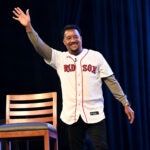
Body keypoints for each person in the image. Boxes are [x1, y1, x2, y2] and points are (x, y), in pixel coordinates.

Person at [12, 7, 135, 150]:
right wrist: (29, 27)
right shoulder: (59, 58)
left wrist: (125, 103)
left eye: (75, 37)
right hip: (71, 115)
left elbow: (111, 81)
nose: (73, 40)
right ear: (64, 42)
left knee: (100, 146)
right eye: (68, 38)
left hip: (95, 113)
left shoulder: (96, 56)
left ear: (81, 38)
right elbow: (39, 46)